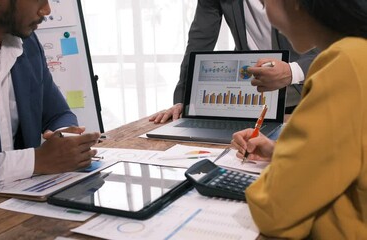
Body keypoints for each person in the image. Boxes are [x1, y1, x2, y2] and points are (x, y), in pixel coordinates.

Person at [230, 0, 367, 238]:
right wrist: (280, 151)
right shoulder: (358, 53)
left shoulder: (343, 65)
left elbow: (274, 209)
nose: (265, 16)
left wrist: (285, 165)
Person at [0, 0, 100, 194]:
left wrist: (64, 135)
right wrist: (37, 161)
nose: (47, 10)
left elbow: (57, 113)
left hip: (23, 208)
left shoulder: (28, 42)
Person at [149, 0, 318, 123]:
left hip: (312, 93)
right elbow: (199, 41)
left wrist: (293, 71)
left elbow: (335, 41)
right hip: (256, 100)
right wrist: (183, 100)